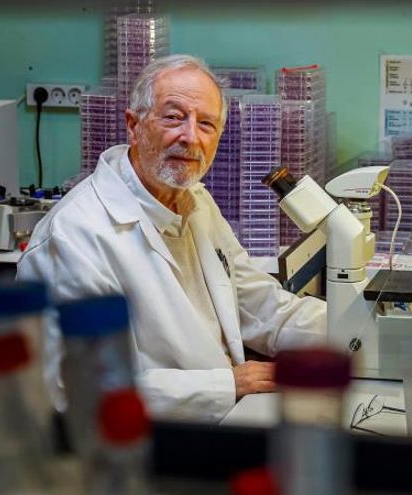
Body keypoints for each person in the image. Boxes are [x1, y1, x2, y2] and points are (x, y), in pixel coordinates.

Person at [17, 54, 326, 422]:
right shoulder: (75, 236)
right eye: (174, 117)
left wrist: (357, 331)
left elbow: (257, 305)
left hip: (222, 415)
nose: (190, 137)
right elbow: (77, 390)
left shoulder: (195, 200)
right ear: (133, 126)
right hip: (141, 443)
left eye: (207, 124)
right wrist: (227, 385)